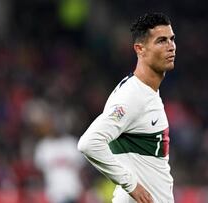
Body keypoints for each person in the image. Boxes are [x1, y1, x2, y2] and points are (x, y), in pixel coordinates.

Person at [77, 12, 176, 203]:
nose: (170, 46)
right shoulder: (132, 96)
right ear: (140, 49)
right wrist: (131, 185)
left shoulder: (147, 92)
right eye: (161, 41)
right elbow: (89, 143)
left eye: (172, 39)